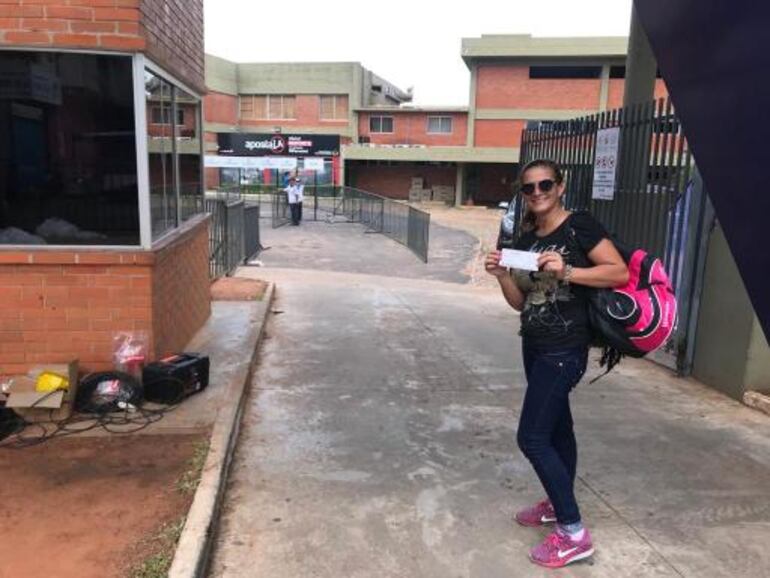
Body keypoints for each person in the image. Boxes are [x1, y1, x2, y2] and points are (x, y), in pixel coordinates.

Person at [485, 159, 628, 569]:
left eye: (544, 184)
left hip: (564, 350)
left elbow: (616, 272)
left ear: (560, 187)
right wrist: (501, 276)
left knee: (531, 438)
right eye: (529, 188)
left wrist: (568, 270)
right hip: (534, 344)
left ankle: (573, 532)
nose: (537, 193)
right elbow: (520, 303)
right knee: (558, 431)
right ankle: (556, 499)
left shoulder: (579, 226)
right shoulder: (529, 240)